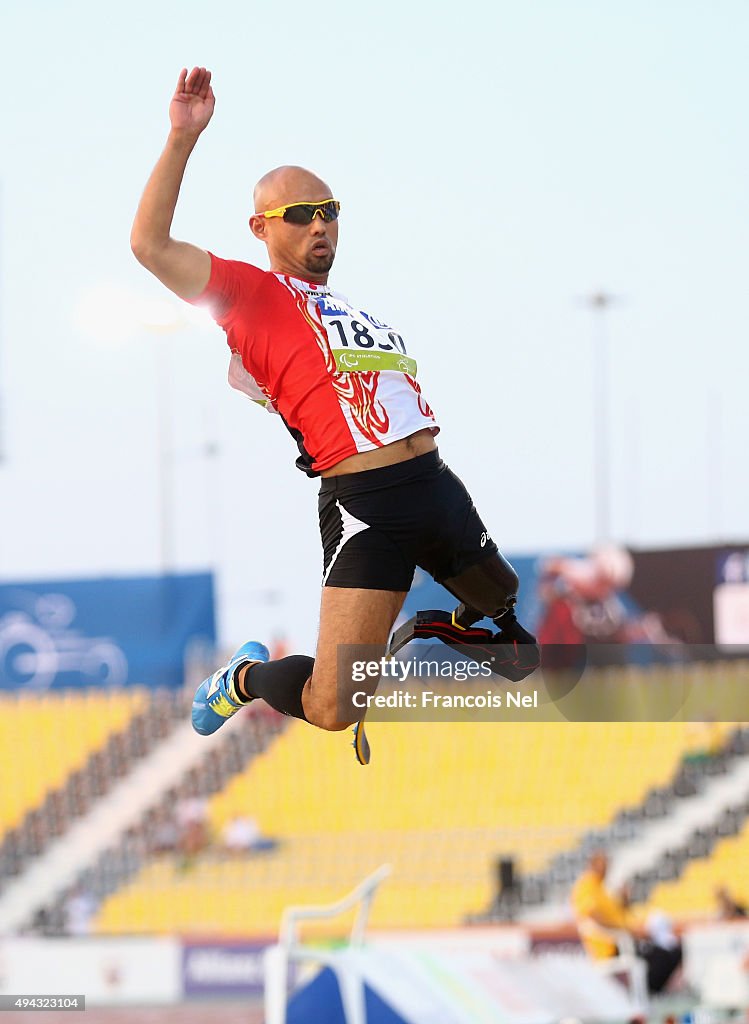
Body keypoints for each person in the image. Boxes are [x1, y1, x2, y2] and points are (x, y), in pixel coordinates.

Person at [131, 67, 539, 760]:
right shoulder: (250, 294)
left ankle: (441, 623)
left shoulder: (350, 307)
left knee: (515, 639)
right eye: (301, 215)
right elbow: (150, 245)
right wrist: (181, 138)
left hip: (435, 486)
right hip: (368, 506)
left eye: (330, 212)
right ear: (261, 226)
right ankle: (247, 676)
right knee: (330, 707)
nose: (321, 225)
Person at [571, 851, 681, 995]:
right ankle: (649, 994)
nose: (606, 869)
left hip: (622, 939)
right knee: (660, 956)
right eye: (603, 865)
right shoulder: (587, 886)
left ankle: (648, 993)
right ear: (593, 865)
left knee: (671, 950)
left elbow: (619, 913)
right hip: (611, 946)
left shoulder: (603, 889)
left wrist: (624, 901)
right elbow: (593, 916)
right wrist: (626, 931)